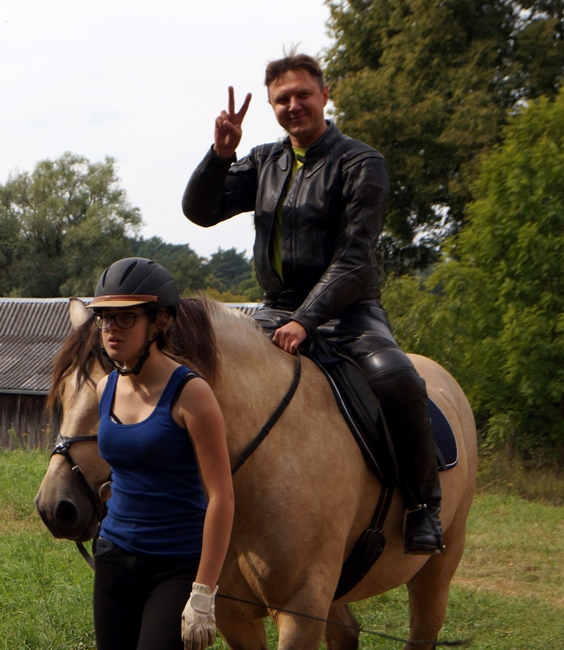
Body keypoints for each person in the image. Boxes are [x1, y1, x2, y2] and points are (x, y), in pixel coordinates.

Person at [182, 50, 444, 556]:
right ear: (272, 107)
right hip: (273, 310)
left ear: (325, 95)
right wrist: (219, 155)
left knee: (398, 378)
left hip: (350, 314)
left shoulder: (361, 162)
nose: (293, 105)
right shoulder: (264, 161)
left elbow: (355, 258)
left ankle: (422, 504)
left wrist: (307, 319)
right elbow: (200, 211)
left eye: (303, 94)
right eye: (282, 99)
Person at [88, 257, 234, 650]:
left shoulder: (191, 393)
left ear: (160, 321)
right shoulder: (107, 387)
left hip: (174, 570)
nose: (111, 328)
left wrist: (204, 592)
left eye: (126, 317)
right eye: (105, 318)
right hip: (115, 563)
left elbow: (221, 496)